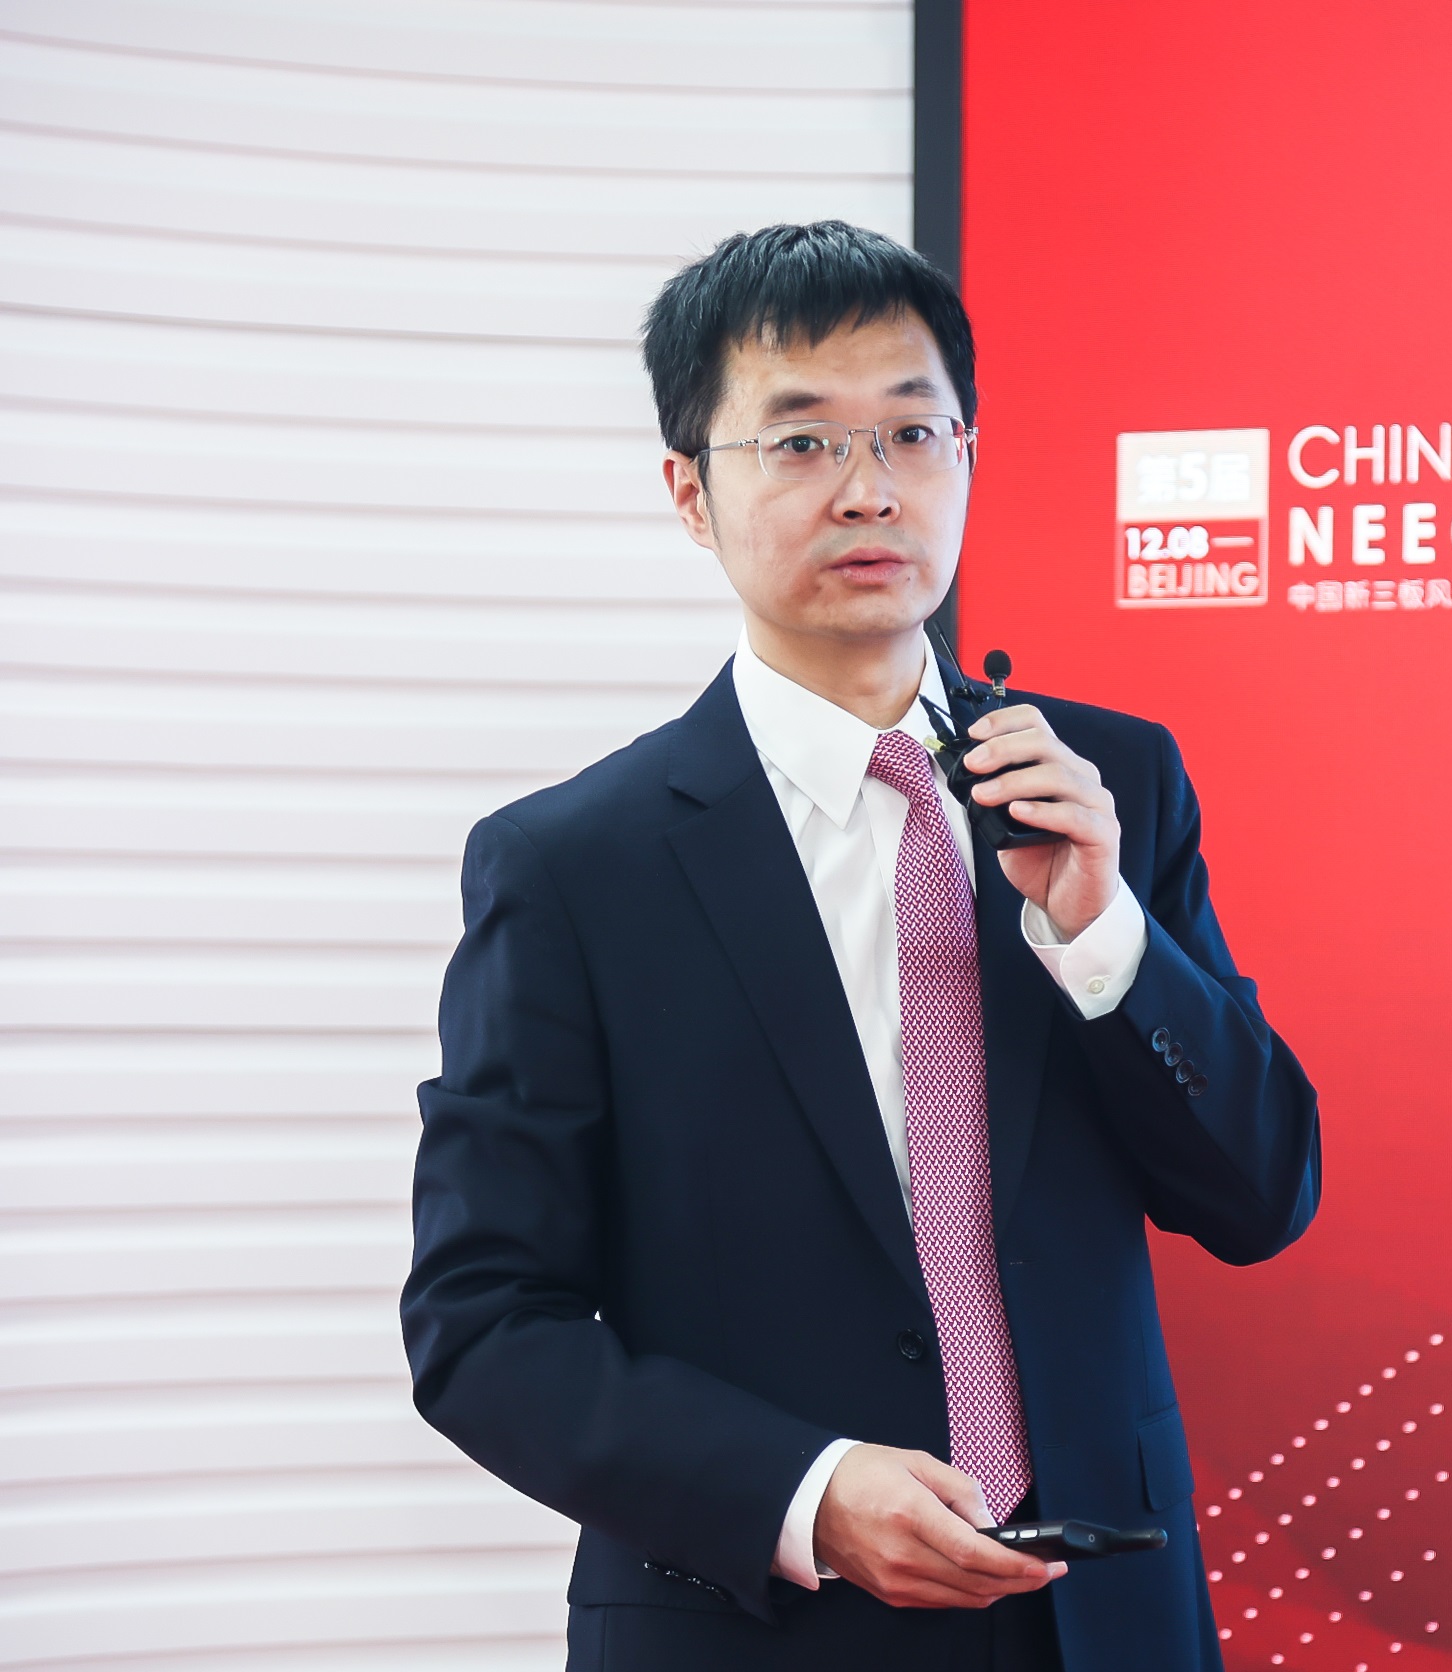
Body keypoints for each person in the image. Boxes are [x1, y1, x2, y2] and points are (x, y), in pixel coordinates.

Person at [401, 221, 1322, 1671]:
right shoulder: (576, 866)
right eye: (801, 443)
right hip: (760, 1623)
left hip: (1104, 1617)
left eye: (910, 431)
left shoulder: (1111, 787)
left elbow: (1261, 1196)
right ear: (691, 494)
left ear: (968, 455)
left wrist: (1103, 935)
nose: (870, 489)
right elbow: (482, 1325)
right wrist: (806, 1493)